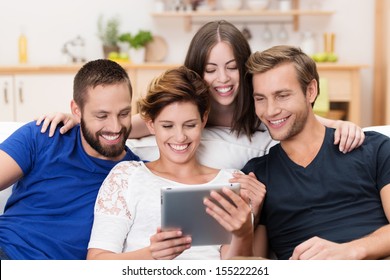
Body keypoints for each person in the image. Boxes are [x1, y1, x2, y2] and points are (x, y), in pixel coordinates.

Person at [37, 20, 364, 156]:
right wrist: (77, 117)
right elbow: (129, 124)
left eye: (232, 68)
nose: (222, 79)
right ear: (197, 71)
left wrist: (343, 126)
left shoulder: (257, 106)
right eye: (210, 69)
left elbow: (299, 120)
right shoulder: (186, 106)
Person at [86, 66, 266, 260]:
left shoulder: (229, 181)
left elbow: (237, 268)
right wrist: (151, 254)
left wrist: (245, 229)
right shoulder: (126, 177)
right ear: (150, 124)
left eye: (190, 125)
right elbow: (96, 262)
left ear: (203, 120)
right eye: (167, 126)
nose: (180, 137)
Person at [242, 45, 390, 260]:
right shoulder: (257, 175)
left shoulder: (374, 148)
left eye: (282, 95)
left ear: (310, 91)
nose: (270, 110)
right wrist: (247, 221)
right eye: (260, 99)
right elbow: (252, 266)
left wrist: (351, 250)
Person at [0, 59, 140, 259]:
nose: (116, 127)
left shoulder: (135, 174)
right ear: (77, 111)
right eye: (102, 116)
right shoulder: (43, 135)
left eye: (124, 113)